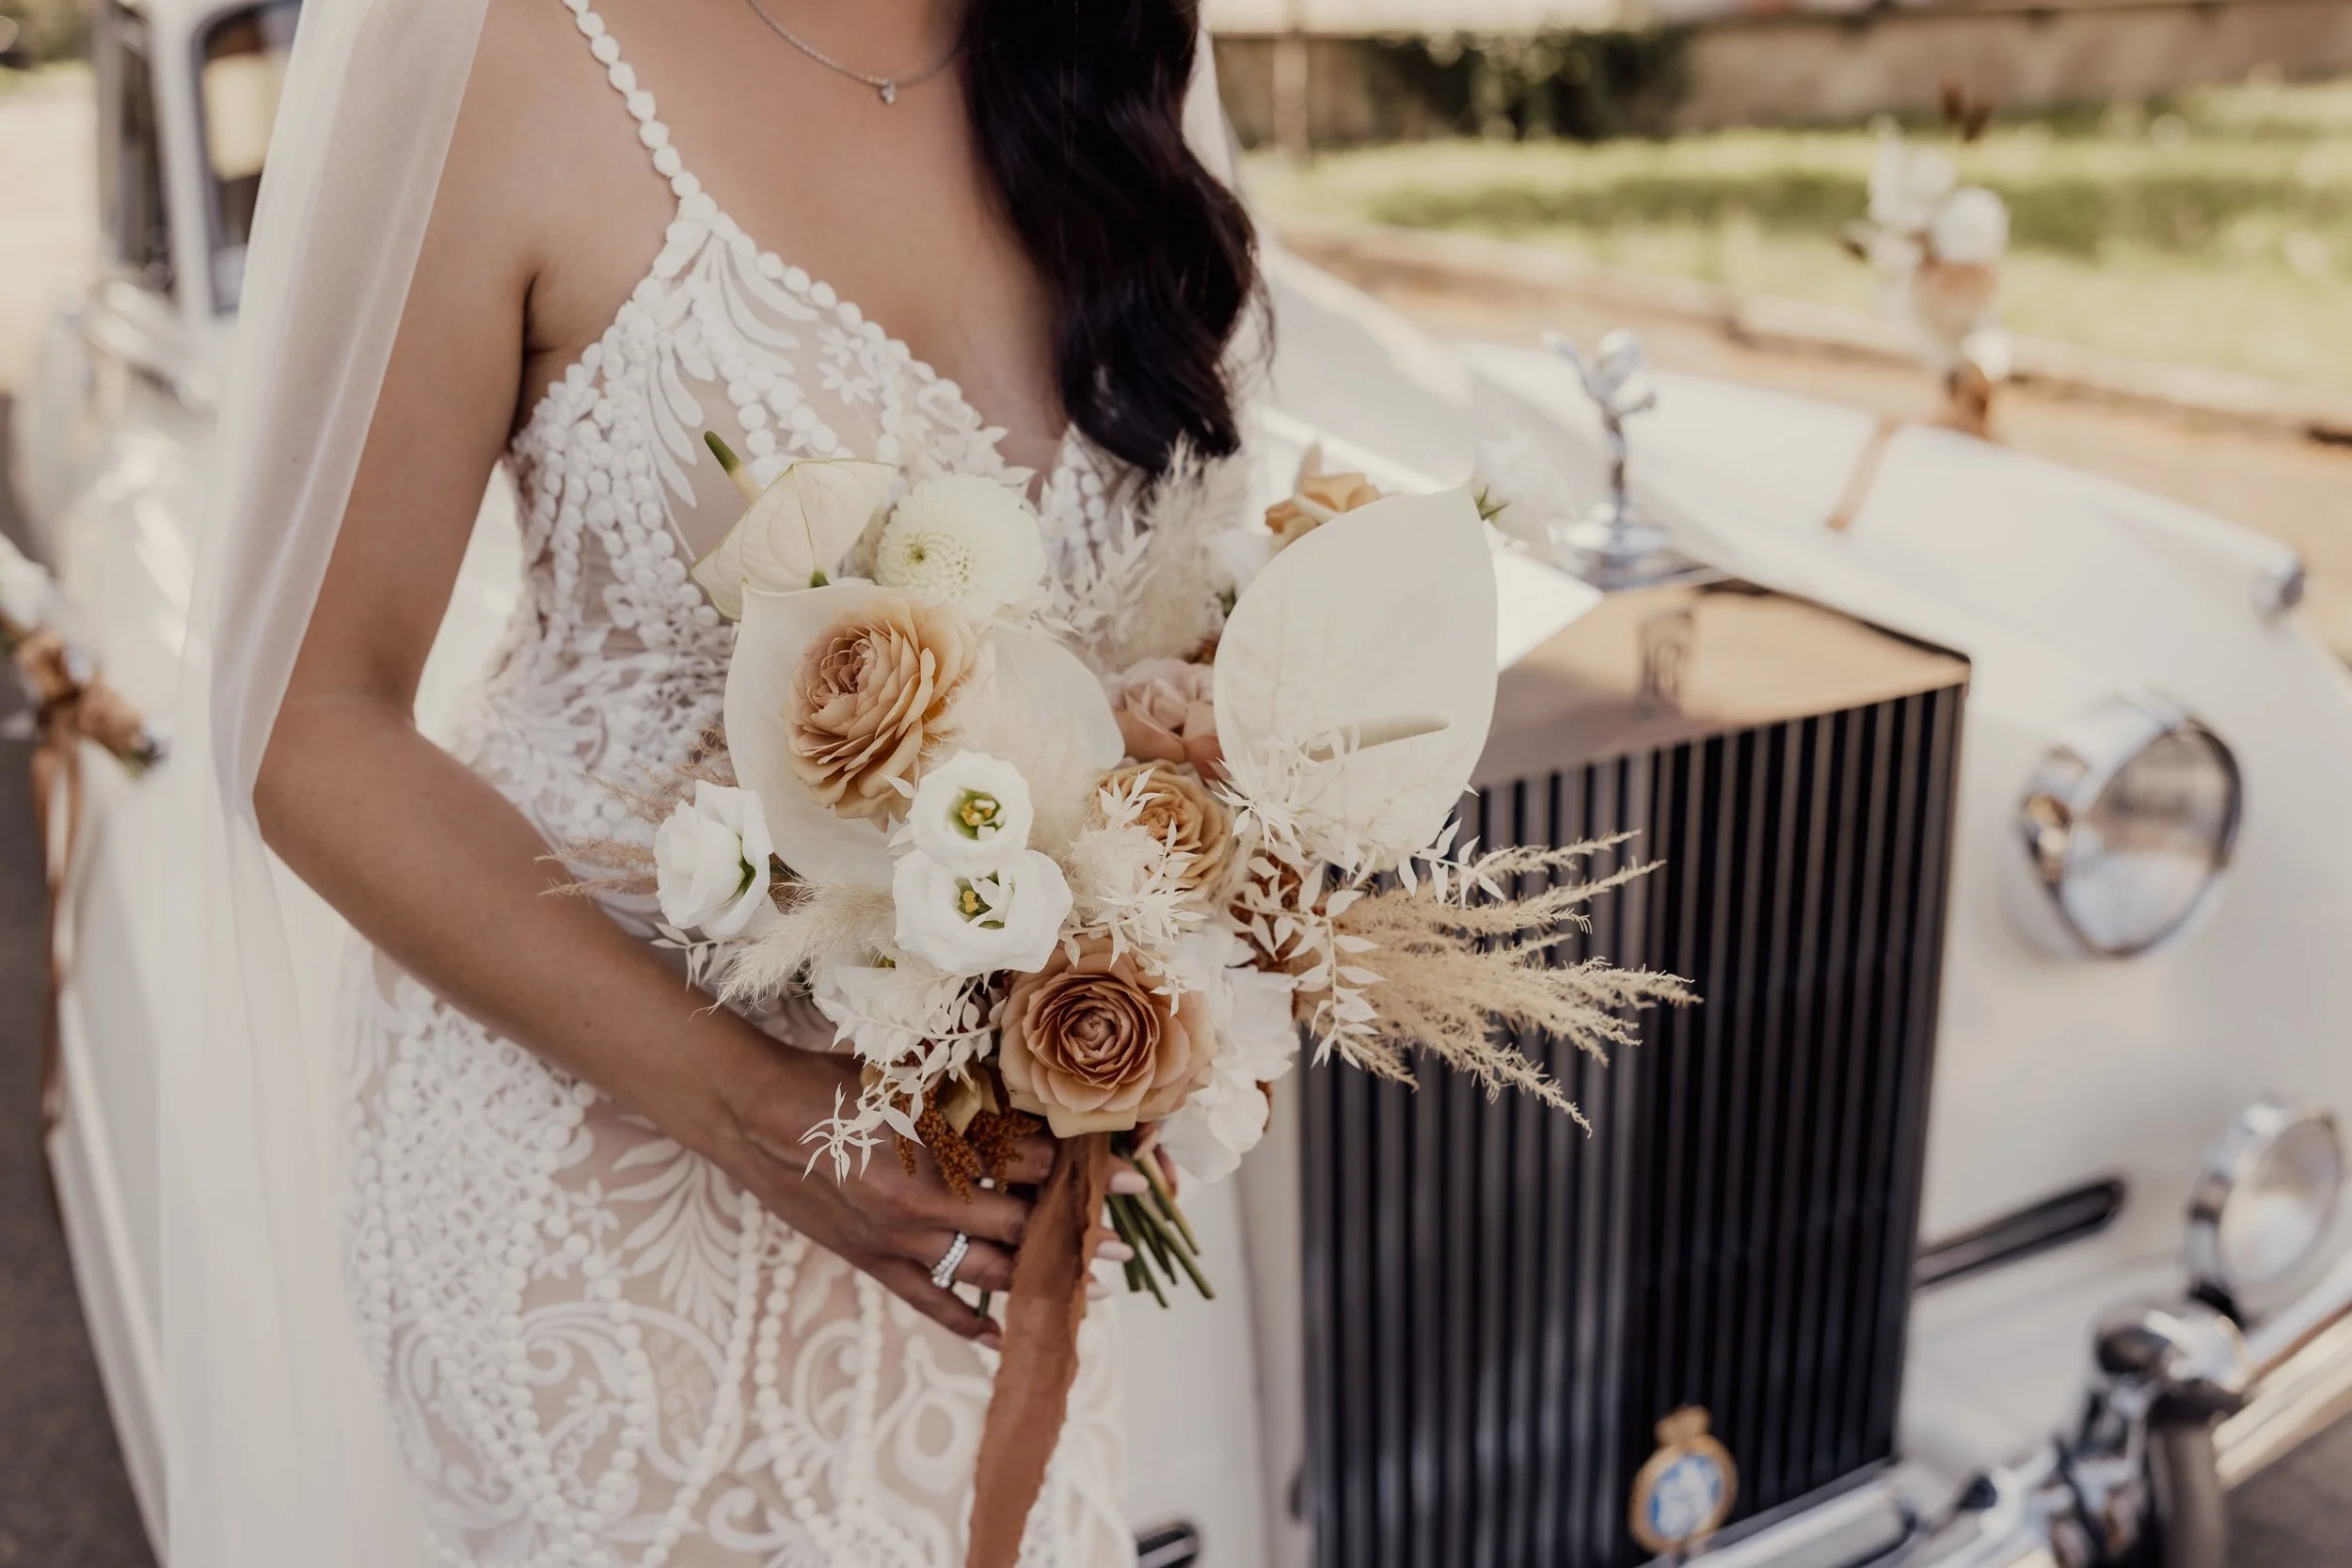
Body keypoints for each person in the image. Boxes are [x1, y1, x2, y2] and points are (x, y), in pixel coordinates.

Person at [167, 1, 1258, 1563]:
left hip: (976, 1220)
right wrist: (762, 1115)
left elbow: (1176, 598)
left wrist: (1193, 950)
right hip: (601, 1196)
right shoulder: (488, 42)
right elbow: (303, 722)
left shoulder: (1115, 36)